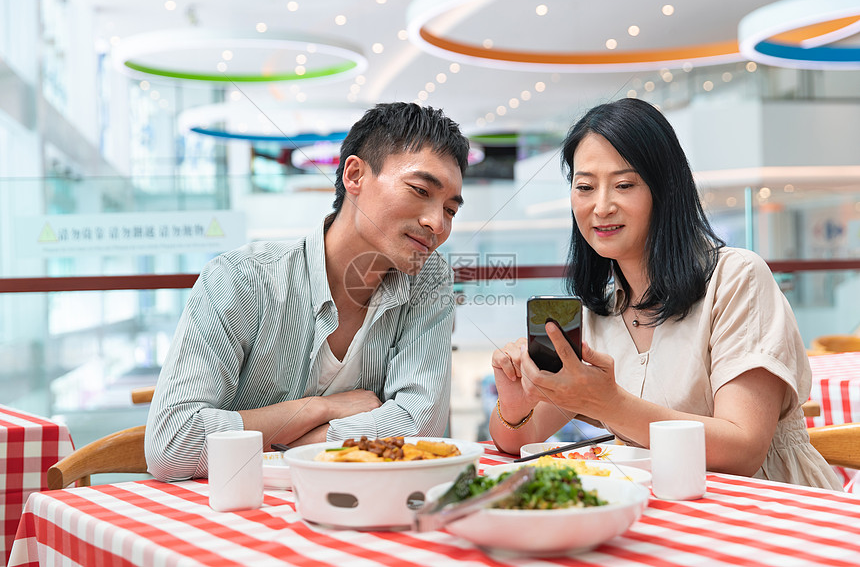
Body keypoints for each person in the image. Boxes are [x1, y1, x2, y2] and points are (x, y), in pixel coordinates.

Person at [490, 98, 842, 490]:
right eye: (585, 187)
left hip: (773, 509)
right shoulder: (596, 315)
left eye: (624, 185)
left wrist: (610, 404)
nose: (601, 206)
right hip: (663, 513)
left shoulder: (736, 277)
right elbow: (519, 439)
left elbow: (743, 450)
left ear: (666, 190)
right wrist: (515, 405)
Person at [145, 102, 469, 481]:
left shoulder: (427, 279)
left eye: (450, 209)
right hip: (241, 514)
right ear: (355, 175)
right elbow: (173, 445)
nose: (436, 223)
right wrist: (320, 409)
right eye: (419, 190)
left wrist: (296, 444)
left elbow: (422, 426)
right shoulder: (241, 278)